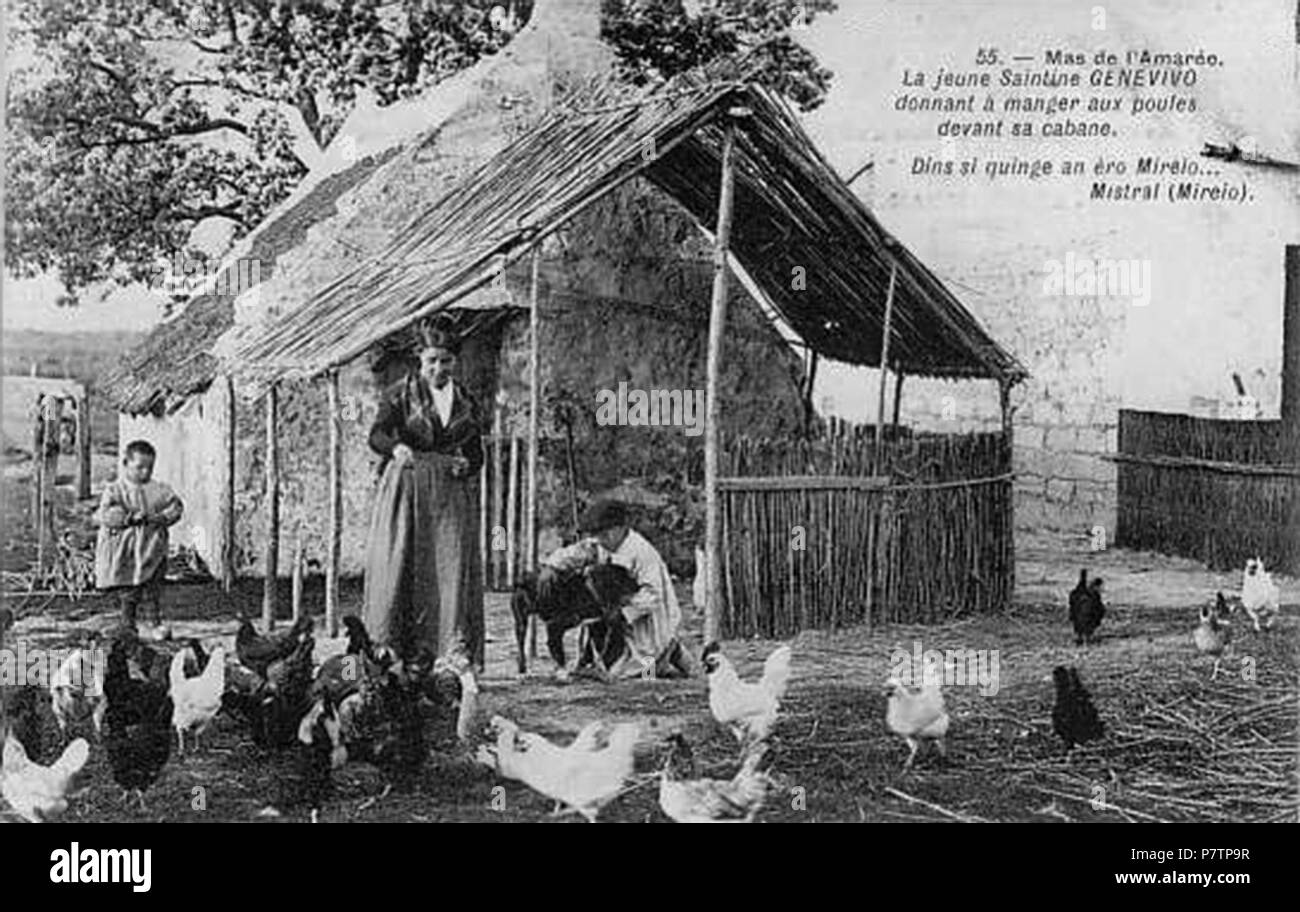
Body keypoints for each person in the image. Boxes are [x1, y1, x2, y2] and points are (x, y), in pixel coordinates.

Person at [363, 327, 485, 671]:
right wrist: (396, 447)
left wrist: (468, 463)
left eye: (446, 362)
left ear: (455, 362)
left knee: (450, 565)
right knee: (403, 560)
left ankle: (450, 649)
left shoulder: (465, 399)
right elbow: (377, 435)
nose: (438, 369)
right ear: (420, 360)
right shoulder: (400, 393)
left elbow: (477, 453)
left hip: (448, 492)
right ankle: (394, 649)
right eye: (431, 361)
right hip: (408, 485)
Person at [550, 499, 693, 680]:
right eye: (599, 535)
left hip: (647, 618)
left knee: (645, 663)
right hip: (617, 615)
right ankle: (659, 659)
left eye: (606, 534)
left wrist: (625, 612)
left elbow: (653, 595)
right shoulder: (601, 545)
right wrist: (552, 566)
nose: (601, 540)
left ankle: (670, 656)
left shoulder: (642, 553)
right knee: (615, 663)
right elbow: (577, 552)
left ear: (620, 529)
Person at [94, 439, 184, 638]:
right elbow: (104, 514)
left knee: (152, 587)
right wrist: (126, 518)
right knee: (128, 589)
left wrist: (162, 518)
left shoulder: (159, 490)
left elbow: (176, 506)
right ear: (125, 464)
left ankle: (154, 624)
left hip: (151, 548)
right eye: (139, 467)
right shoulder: (115, 490)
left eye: (149, 468)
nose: (145, 472)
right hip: (125, 550)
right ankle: (128, 624)